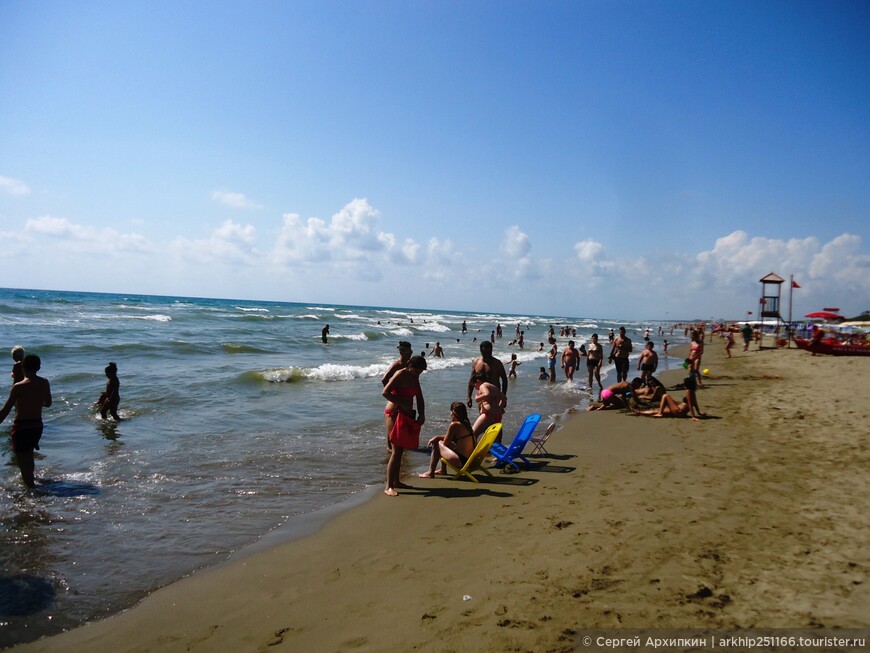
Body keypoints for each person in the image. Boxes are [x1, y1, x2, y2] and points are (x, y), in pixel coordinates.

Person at [0, 354, 52, 488]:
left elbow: (6, 409)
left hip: (22, 426)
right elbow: (48, 403)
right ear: (39, 367)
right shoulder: (44, 382)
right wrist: (35, 402)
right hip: (37, 425)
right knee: (29, 455)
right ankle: (31, 481)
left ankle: (30, 491)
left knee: (22, 461)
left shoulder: (18, 386)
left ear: (22, 367)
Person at [382, 355, 427, 496]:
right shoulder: (400, 374)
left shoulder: (414, 377)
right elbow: (385, 392)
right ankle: (388, 486)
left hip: (406, 414)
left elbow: (419, 397)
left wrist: (422, 414)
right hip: (393, 412)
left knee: (401, 448)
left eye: (420, 372)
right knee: (396, 449)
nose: (417, 374)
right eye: (416, 371)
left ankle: (396, 481)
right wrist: (401, 402)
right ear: (409, 366)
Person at [418, 402, 475, 478]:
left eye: (451, 411)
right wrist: (439, 437)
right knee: (445, 443)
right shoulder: (467, 424)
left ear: (453, 412)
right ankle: (442, 470)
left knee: (437, 443)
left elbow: (445, 443)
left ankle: (430, 472)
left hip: (462, 462)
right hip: (470, 461)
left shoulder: (454, 425)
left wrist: (437, 439)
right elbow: (450, 439)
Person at [382, 341, 413, 450]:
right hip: (396, 400)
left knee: (401, 431)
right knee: (392, 432)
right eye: (406, 351)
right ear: (401, 352)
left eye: (410, 350)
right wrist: (394, 394)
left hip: (405, 401)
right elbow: (384, 379)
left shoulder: (409, 364)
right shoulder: (397, 365)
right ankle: (391, 452)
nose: (410, 353)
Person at [633, 373, 703, 421]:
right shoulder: (692, 392)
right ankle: (640, 412)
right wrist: (699, 413)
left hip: (679, 411)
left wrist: (693, 417)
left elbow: (691, 404)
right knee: (656, 410)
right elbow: (695, 403)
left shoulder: (688, 391)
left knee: (666, 396)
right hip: (679, 411)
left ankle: (659, 414)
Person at [466, 341, 508, 409]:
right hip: (481, 395)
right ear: (480, 351)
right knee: (483, 415)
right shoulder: (476, 362)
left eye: (489, 352)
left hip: (494, 396)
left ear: (492, 350)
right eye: (484, 352)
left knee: (494, 417)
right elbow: (472, 380)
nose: (487, 354)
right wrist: (469, 397)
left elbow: (504, 380)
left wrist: (503, 397)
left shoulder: (497, 363)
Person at [470, 371, 506, 440]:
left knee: (473, 434)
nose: (475, 387)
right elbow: (504, 398)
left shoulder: (483, 385)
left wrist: (477, 398)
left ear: (478, 381)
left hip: (488, 415)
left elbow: (487, 394)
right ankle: (491, 450)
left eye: (474, 385)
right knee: (494, 439)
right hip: (497, 415)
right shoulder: (494, 387)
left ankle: (471, 450)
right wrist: (499, 407)